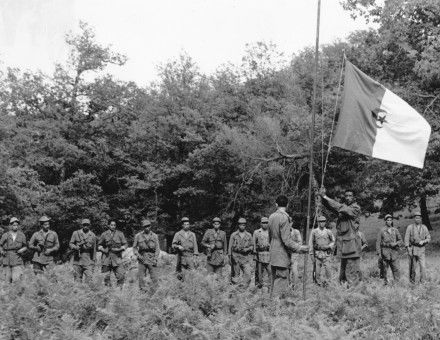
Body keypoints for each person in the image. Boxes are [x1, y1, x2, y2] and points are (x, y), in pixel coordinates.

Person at [320, 188, 362, 286]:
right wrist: (323, 199)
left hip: (352, 248)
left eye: (350, 196)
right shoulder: (344, 210)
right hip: (345, 248)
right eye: (346, 196)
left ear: (354, 198)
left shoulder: (355, 209)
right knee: (343, 276)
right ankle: (346, 296)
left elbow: (339, 207)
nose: (347, 198)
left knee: (351, 275)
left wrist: (326, 197)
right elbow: (333, 208)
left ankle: (354, 296)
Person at [268, 195, 308, 298]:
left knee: (274, 280)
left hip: (273, 253)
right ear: (287, 204)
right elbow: (286, 240)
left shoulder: (271, 216)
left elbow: (270, 237)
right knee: (281, 280)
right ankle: (276, 307)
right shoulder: (284, 217)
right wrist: (300, 248)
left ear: (276, 204)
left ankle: (272, 305)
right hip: (281, 254)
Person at [133, 219, 160, 293]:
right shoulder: (138, 236)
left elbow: (157, 249)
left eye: (148, 226)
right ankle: (142, 293)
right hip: (142, 258)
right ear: (143, 227)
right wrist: (138, 255)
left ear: (150, 226)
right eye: (145, 226)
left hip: (152, 258)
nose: (147, 228)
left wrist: (155, 258)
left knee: (154, 277)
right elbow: (134, 248)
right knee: (141, 278)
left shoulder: (154, 236)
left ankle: (155, 293)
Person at [98, 220, 127, 287]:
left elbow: (125, 244)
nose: (113, 226)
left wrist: (120, 249)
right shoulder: (104, 234)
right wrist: (103, 250)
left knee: (121, 276)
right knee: (106, 277)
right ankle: (108, 292)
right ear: (109, 225)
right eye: (111, 225)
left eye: (114, 225)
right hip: (106, 258)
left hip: (117, 258)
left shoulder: (120, 234)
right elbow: (99, 245)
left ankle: (119, 291)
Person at [404, 211, 431, 283]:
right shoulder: (410, 227)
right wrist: (408, 249)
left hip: (421, 249)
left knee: (423, 267)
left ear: (421, 219)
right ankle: (412, 282)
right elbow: (406, 239)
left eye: (419, 218)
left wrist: (424, 241)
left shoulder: (424, 227)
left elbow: (428, 238)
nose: (417, 219)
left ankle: (423, 282)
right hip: (413, 249)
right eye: (416, 218)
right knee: (412, 267)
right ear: (414, 219)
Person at [308, 216, 335, 286]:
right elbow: (310, 243)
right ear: (318, 222)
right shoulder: (314, 232)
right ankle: (318, 283)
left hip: (326, 254)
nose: (322, 223)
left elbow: (333, 241)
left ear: (325, 222)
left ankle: (328, 283)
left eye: (323, 221)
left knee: (328, 269)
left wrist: (329, 246)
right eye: (320, 221)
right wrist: (311, 254)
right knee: (317, 271)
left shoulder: (328, 232)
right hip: (317, 254)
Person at [376, 214, 402, 284]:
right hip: (385, 253)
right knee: (384, 270)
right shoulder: (382, 231)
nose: (389, 221)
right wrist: (379, 253)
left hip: (394, 253)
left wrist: (395, 244)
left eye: (390, 220)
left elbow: (400, 240)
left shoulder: (395, 230)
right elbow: (378, 242)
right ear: (385, 221)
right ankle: (385, 283)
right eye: (388, 220)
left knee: (396, 269)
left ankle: (397, 283)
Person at [69, 218, 97, 283]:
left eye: (87, 225)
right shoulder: (76, 233)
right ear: (82, 225)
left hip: (88, 260)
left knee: (89, 278)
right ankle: (79, 293)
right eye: (84, 225)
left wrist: (94, 261)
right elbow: (71, 243)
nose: (85, 226)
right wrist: (75, 247)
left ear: (89, 225)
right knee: (77, 279)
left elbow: (94, 249)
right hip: (77, 259)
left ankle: (87, 292)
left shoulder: (92, 235)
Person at [0, 217, 27, 283]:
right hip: (7, 259)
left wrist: (22, 250)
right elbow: (0, 245)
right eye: (14, 225)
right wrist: (1, 251)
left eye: (17, 225)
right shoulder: (5, 235)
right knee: (6, 281)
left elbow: (25, 246)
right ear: (10, 225)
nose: (16, 227)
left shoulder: (21, 235)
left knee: (16, 280)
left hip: (17, 259)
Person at [229, 217, 253, 287]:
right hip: (235, 258)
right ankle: (235, 291)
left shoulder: (249, 235)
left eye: (244, 225)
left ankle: (243, 289)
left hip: (245, 258)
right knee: (235, 276)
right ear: (238, 225)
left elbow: (252, 246)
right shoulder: (233, 235)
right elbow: (230, 247)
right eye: (240, 224)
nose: (242, 226)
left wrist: (247, 249)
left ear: (245, 225)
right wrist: (229, 258)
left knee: (248, 275)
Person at [253, 217, 271, 290]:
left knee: (270, 271)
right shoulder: (257, 232)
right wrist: (254, 252)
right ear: (260, 223)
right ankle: (258, 287)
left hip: (269, 254)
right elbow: (253, 243)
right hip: (259, 254)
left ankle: (270, 286)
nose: (265, 224)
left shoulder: (271, 232)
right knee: (259, 272)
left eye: (266, 222)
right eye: (263, 222)